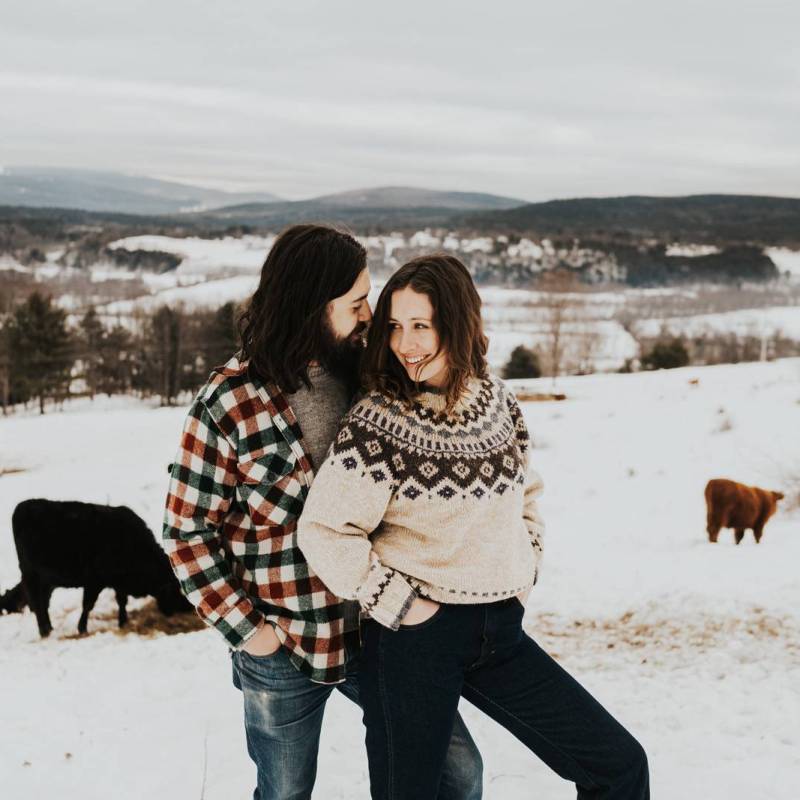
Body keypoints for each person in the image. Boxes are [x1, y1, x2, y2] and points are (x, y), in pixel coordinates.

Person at [297, 254, 650, 800]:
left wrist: (526, 558)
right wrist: (401, 606)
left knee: (619, 765)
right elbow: (324, 530)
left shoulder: (498, 402)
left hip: (499, 632)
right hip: (415, 641)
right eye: (393, 326)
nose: (405, 343)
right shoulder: (378, 421)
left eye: (421, 325)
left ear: (457, 323)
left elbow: (525, 490)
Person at [162, 227, 483, 800]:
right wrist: (249, 632)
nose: (369, 314)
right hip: (283, 643)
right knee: (283, 793)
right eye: (357, 303)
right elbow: (187, 534)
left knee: (458, 775)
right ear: (313, 306)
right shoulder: (227, 403)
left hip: (381, 629)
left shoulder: (368, 376)